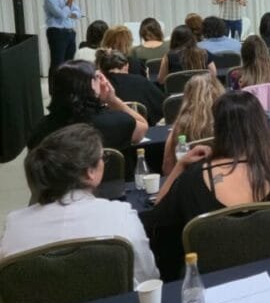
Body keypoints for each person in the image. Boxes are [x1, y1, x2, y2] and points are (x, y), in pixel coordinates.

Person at [142, 91, 270, 280]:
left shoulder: (193, 178)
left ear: (218, 129)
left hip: (212, 283)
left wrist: (180, 166)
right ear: (262, 125)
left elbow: (156, 218)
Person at [1, 125, 159, 285]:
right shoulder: (120, 214)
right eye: (102, 158)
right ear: (90, 172)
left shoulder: (15, 224)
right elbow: (148, 277)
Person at [29, 60, 148, 150]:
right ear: (91, 86)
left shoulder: (40, 130)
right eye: (97, 78)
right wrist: (113, 100)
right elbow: (143, 128)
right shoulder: (115, 122)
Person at [162, 74, 225, 175]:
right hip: (224, 179)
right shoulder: (230, 122)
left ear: (188, 97)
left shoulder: (180, 127)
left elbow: (168, 170)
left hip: (190, 183)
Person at [96, 49, 164, 125]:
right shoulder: (141, 82)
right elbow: (162, 107)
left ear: (102, 69)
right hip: (144, 129)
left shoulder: (98, 87)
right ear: (127, 66)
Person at [43, 0, 83, 88]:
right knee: (58, 62)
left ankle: (67, 88)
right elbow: (60, 14)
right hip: (57, 32)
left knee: (69, 63)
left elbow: (78, 12)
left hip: (70, 32)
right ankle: (54, 89)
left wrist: (70, 10)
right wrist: (69, 3)